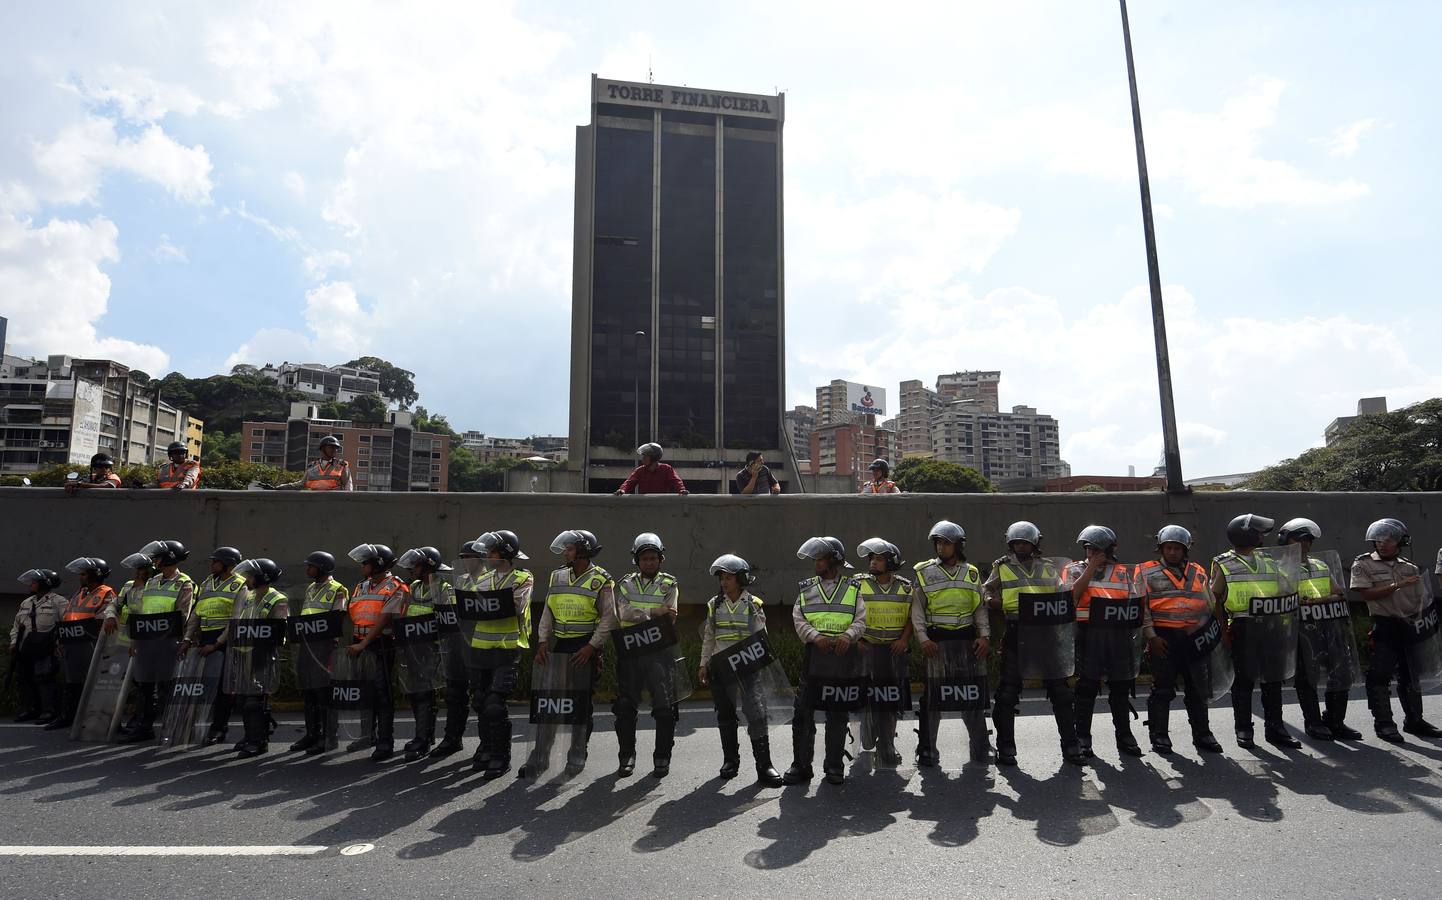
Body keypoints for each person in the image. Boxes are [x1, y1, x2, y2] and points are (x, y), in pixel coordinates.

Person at [985, 521, 1086, 766]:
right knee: (1007, 694)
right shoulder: (1001, 567)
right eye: (1017, 542)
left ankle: (1071, 746)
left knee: (1061, 693)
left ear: (1035, 544)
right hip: (1016, 633)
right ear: (1011, 544)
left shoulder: (1049, 567)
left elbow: (1063, 594)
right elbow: (986, 591)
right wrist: (992, 601)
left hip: (1046, 634)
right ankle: (1006, 747)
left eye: (1026, 542)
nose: (1021, 546)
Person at [524, 530, 615, 777]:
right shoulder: (558, 576)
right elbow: (548, 611)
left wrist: (591, 647)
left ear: (583, 551)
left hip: (586, 646)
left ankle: (577, 753)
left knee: (581, 704)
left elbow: (608, 618)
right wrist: (543, 641)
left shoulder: (602, 580)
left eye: (570, 549)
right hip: (560, 645)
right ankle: (540, 756)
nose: (566, 552)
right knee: (549, 701)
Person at [1212, 514, 1301, 749]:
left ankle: (1276, 729)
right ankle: (1244, 729)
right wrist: (1223, 632)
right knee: (1243, 682)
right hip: (1243, 627)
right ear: (1248, 534)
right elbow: (1215, 600)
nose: (1263, 536)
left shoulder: (1269, 561)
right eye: (1259, 532)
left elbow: (1286, 589)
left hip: (1272, 627)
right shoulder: (1224, 562)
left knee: (1273, 681)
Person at [785, 536, 867, 786]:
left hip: (843, 657)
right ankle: (801, 766)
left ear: (833, 560)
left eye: (819, 558)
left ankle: (834, 766)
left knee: (837, 714)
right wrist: (814, 636)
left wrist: (848, 636)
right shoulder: (806, 588)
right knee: (803, 712)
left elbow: (861, 620)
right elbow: (798, 618)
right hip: (815, 656)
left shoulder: (854, 588)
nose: (815, 563)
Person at [1352, 518, 1442, 743]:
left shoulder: (1409, 567)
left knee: (1411, 674)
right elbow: (1366, 594)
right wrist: (1397, 586)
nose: (1382, 544)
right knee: (1379, 674)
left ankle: (1415, 720)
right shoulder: (1363, 564)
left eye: (1388, 540)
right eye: (1378, 540)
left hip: (1409, 625)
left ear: (1401, 541)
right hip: (1385, 624)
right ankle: (1384, 722)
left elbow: (1421, 599)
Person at [1136, 526, 1225, 754]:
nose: (1173, 552)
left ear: (1185, 550)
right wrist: (1152, 637)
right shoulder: (1145, 571)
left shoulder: (1199, 571)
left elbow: (1208, 604)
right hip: (1164, 638)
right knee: (1162, 690)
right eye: (1168, 548)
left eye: (1177, 548)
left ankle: (1203, 734)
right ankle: (1159, 736)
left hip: (1195, 638)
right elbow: (1143, 609)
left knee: (1198, 689)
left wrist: (1212, 634)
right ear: (1161, 549)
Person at [699, 554, 784, 787]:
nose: (724, 582)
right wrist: (703, 663)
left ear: (741, 579)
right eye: (722, 578)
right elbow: (709, 636)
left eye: (729, 577)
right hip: (721, 666)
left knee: (755, 712)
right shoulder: (713, 604)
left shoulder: (753, 604)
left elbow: (762, 638)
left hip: (748, 666)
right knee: (725, 714)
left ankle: (764, 765)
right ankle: (730, 761)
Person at [912, 522, 992, 767]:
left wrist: (985, 636)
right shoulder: (923, 571)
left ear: (958, 545)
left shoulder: (972, 573)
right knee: (932, 699)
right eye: (938, 542)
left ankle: (981, 747)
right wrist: (923, 639)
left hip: (967, 643)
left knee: (972, 696)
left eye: (946, 542)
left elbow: (979, 608)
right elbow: (916, 609)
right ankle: (927, 748)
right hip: (937, 644)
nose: (940, 547)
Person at [1066, 525, 1146, 759]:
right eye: (1089, 548)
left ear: (1111, 549)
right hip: (1087, 634)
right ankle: (1083, 738)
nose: (1092, 553)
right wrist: (1090, 567)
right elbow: (1071, 596)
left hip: (1117, 635)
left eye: (1097, 549)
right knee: (1087, 688)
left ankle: (1125, 736)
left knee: (1121, 688)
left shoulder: (1124, 572)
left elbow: (1135, 604)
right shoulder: (1074, 570)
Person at [1282, 518, 1362, 741]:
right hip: (1300, 630)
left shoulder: (1320, 565)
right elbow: (1281, 599)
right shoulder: (1281, 568)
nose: (1304, 544)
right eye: (1298, 539)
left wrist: (1317, 602)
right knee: (1307, 677)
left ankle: (1335, 721)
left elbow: (1339, 594)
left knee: (1340, 672)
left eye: (1307, 540)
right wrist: (1319, 601)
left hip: (1328, 625)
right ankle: (1314, 723)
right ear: (1285, 541)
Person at [611, 532, 681, 778]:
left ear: (660, 559)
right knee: (625, 707)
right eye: (644, 559)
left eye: (653, 558)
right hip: (631, 653)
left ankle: (662, 757)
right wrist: (653, 611)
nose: (649, 562)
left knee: (664, 708)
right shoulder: (625, 583)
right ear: (636, 561)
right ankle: (626, 756)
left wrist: (639, 612)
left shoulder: (669, 584)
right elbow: (621, 613)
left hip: (659, 654)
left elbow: (670, 615)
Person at [466, 530, 533, 779]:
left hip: (507, 648)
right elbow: (471, 605)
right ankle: (486, 746)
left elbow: (516, 605)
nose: (488, 556)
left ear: (505, 553)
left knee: (495, 705)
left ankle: (500, 756)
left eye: (492, 552)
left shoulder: (522, 577)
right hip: (480, 647)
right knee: (480, 701)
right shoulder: (482, 579)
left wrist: (489, 602)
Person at [119, 540, 194, 743]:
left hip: (168, 641)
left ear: (169, 558)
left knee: (169, 686)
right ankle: (144, 728)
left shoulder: (184, 583)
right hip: (146, 641)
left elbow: (183, 615)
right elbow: (141, 611)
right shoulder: (152, 581)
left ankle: (175, 728)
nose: (155, 561)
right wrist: (135, 640)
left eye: (158, 557)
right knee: (144, 686)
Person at [344, 543, 411, 760]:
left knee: (382, 695)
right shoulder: (361, 586)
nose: (362, 566)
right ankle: (367, 735)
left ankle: (385, 742)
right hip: (359, 642)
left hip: (380, 644)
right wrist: (357, 643)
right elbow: (356, 613)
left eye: (366, 562)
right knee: (365, 692)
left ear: (378, 564)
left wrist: (363, 645)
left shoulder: (396, 586)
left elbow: (384, 619)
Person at [216, 559, 289, 757]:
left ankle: (259, 741)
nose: (246, 579)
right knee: (243, 697)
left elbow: (278, 632)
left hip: (261, 654)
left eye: (250, 575)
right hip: (243, 652)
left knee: (255, 700)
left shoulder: (278, 599)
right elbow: (238, 623)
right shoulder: (248, 596)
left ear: (262, 577)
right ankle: (249, 735)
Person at [177, 546, 246, 745]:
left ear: (227, 564)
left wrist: (216, 644)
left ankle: (218, 729)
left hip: (225, 642)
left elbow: (236, 621)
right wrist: (187, 639)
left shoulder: (240, 585)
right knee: (202, 686)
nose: (211, 565)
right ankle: (193, 727)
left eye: (215, 561)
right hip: (205, 639)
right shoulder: (207, 583)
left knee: (223, 689)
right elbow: (196, 615)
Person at [855, 538, 913, 766]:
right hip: (867, 650)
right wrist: (857, 641)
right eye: (871, 558)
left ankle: (888, 743)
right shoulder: (857, 584)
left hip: (893, 651)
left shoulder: (906, 587)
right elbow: (851, 613)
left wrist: (904, 640)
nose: (873, 562)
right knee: (867, 697)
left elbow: (912, 618)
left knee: (891, 700)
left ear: (891, 562)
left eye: (878, 559)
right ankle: (869, 734)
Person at [290, 551, 348, 755]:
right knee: (308, 692)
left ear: (322, 567)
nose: (307, 569)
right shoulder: (310, 588)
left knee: (323, 692)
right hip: (307, 644)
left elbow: (338, 618)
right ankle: (311, 734)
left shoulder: (338, 589)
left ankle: (329, 736)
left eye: (311, 566)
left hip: (324, 646)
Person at [397, 546, 453, 761]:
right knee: (414, 691)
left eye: (417, 565)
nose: (412, 569)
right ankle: (423, 736)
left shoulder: (443, 589)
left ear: (429, 566)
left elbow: (448, 622)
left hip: (432, 649)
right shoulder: (413, 587)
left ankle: (423, 739)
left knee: (424, 692)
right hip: (412, 646)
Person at [50, 558, 118, 731]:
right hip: (73, 643)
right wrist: (61, 640)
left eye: (83, 574)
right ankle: (69, 717)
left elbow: (103, 619)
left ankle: (98, 720)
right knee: (72, 682)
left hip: (91, 644)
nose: (80, 577)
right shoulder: (79, 592)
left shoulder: (107, 592)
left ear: (95, 575)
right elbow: (67, 617)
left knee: (94, 683)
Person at [9, 568, 66, 724]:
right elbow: (16, 626)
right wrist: (14, 642)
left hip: (46, 646)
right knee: (24, 678)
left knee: (45, 678)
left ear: (45, 583)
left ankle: (49, 711)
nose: (31, 584)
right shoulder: (26, 602)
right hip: (26, 646)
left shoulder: (59, 602)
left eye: (35, 581)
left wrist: (59, 645)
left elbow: (65, 625)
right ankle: (30, 709)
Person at [276, 435, 353, 491]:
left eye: (336, 448)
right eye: (331, 447)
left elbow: (348, 487)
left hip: (335, 503)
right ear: (323, 449)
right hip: (315, 502)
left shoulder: (342, 465)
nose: (334, 450)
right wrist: (283, 486)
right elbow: (301, 484)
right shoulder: (312, 466)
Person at [615, 443, 688, 495]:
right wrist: (622, 490)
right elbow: (629, 482)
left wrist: (682, 490)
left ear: (654, 457)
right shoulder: (640, 470)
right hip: (644, 505)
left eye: (645, 456)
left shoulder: (666, 469)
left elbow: (676, 481)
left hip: (661, 505)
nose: (643, 459)